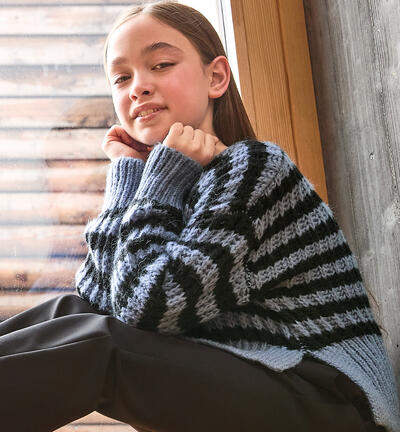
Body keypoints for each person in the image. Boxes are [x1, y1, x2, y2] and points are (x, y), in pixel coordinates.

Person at [0, 2, 399, 431]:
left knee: (101, 348)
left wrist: (156, 183)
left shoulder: (254, 168)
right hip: (260, 380)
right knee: (69, 308)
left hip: (330, 402)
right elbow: (100, 298)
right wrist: (126, 178)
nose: (138, 87)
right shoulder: (176, 185)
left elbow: (148, 307)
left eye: (161, 64)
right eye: (122, 77)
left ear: (216, 77)